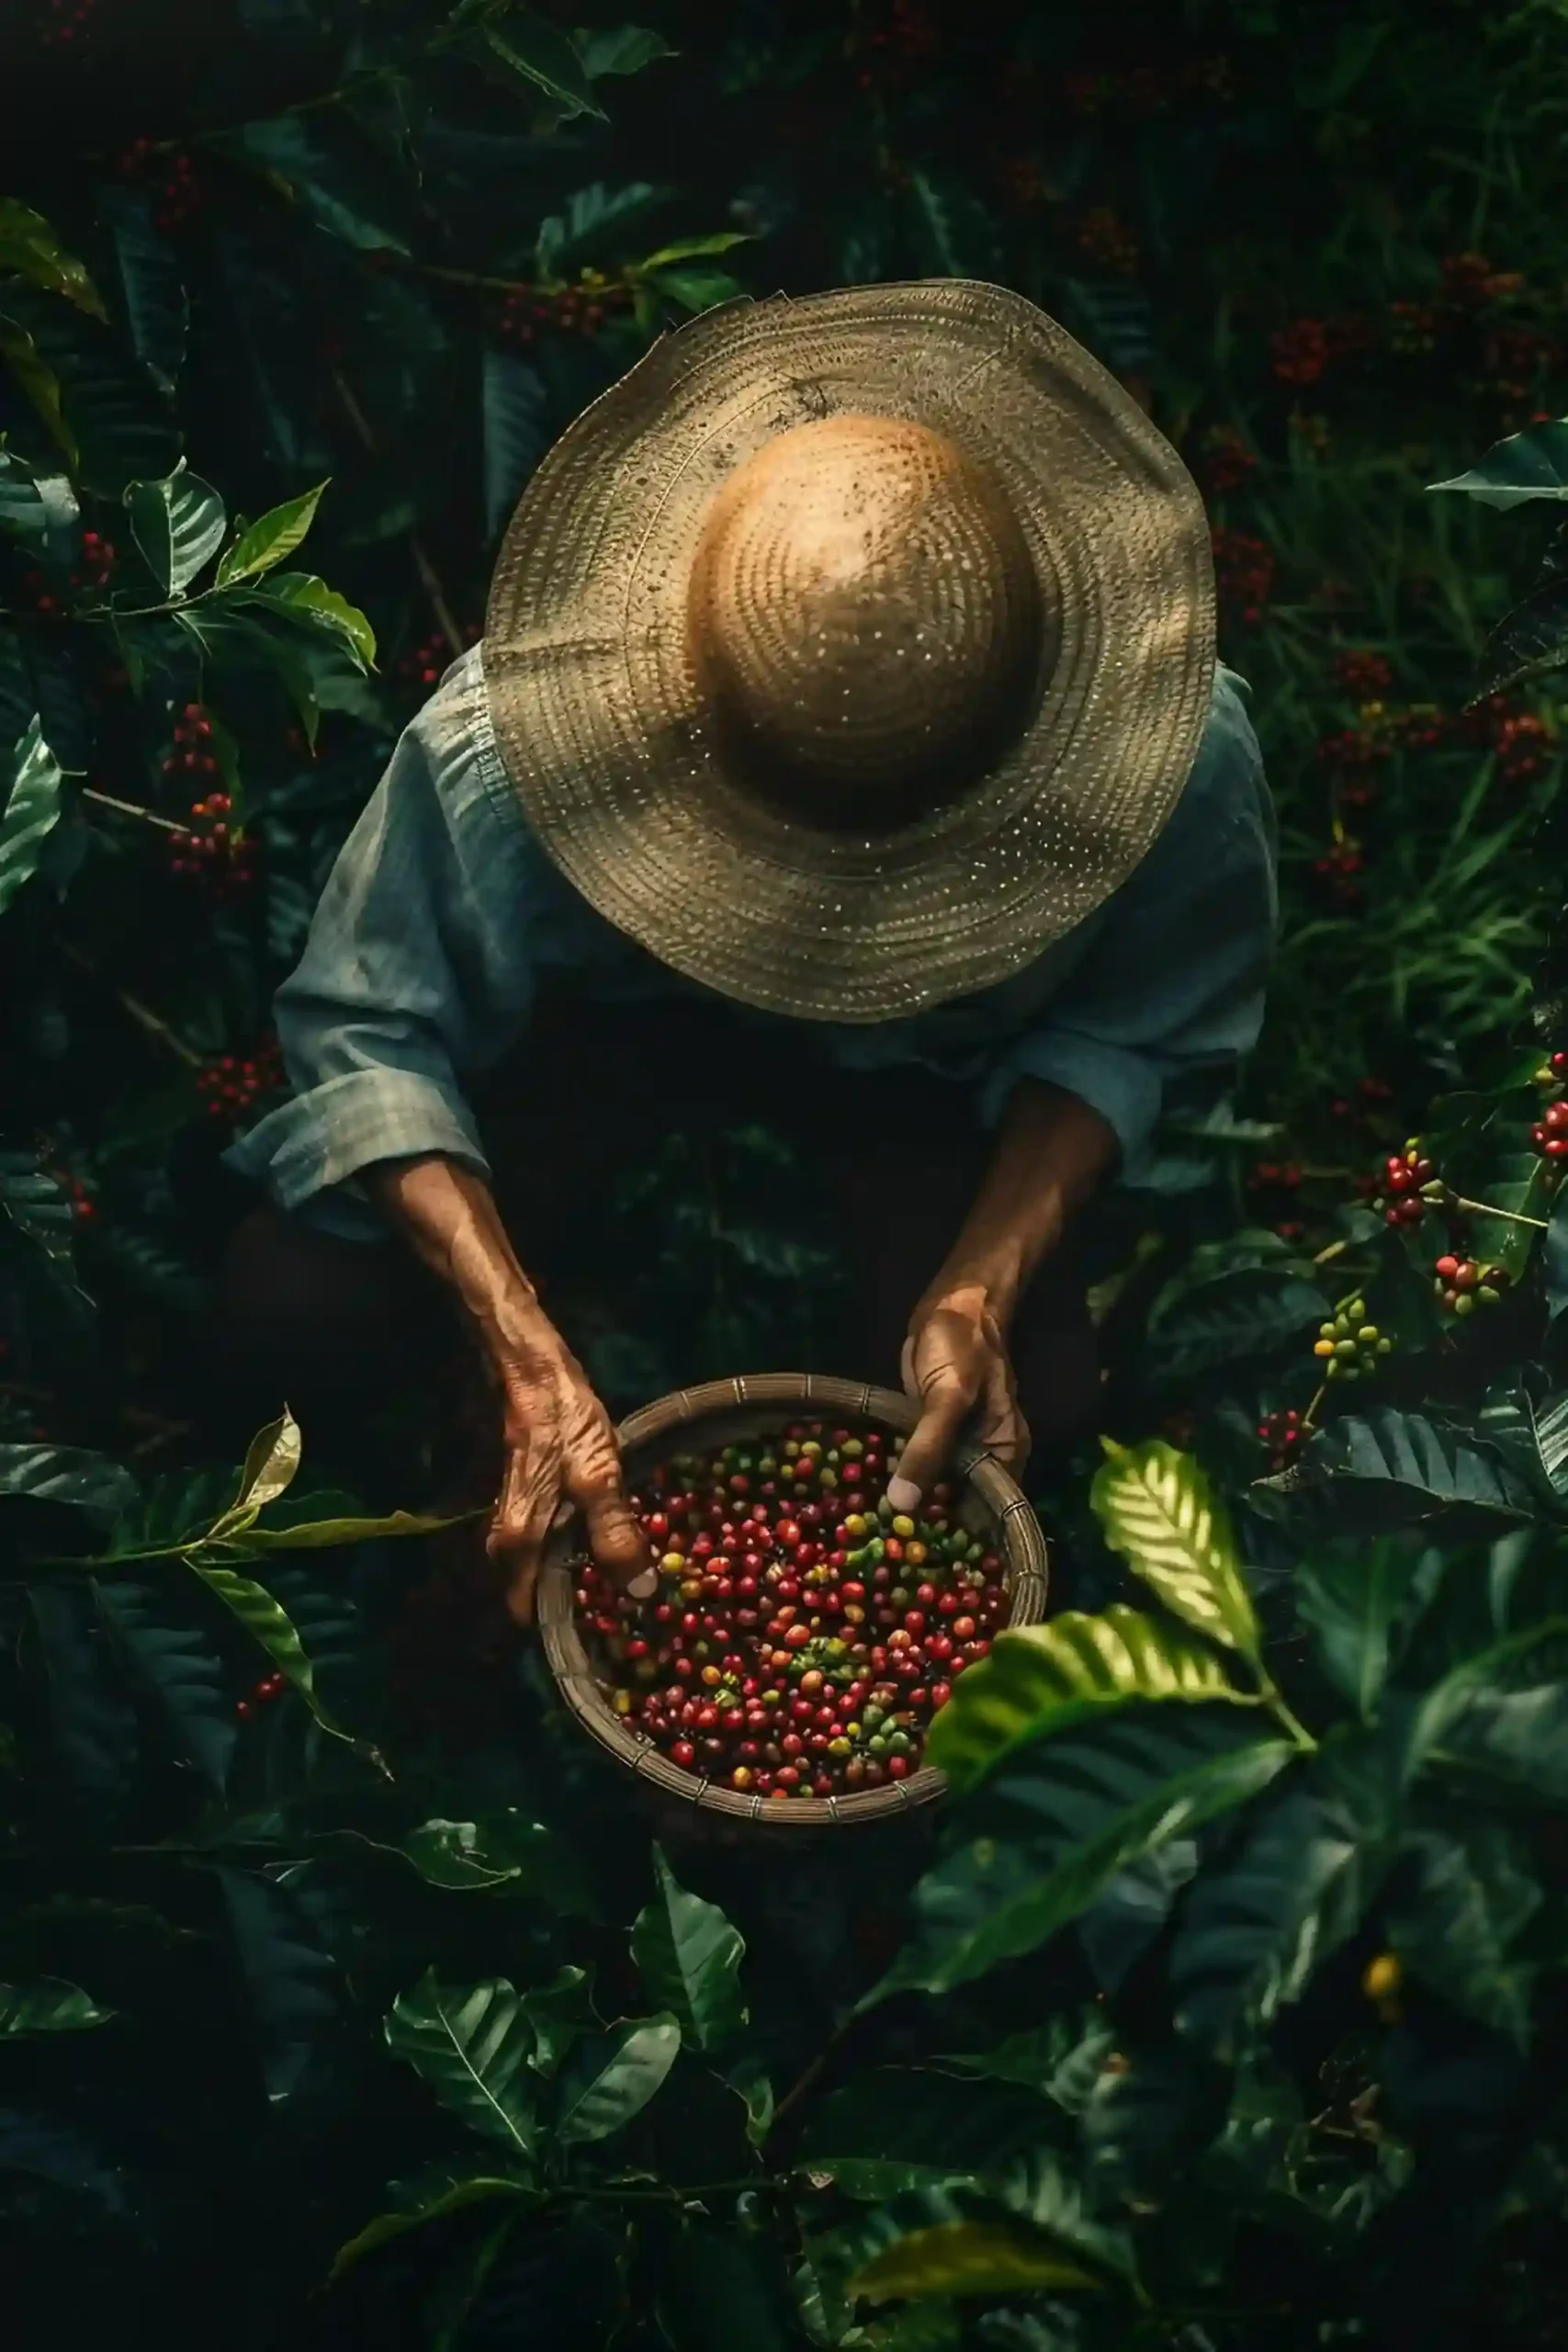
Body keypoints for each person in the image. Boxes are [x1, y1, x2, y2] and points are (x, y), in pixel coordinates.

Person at [220, 278, 1276, 1625]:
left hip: (927, 1074)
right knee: (291, 1304)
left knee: (1023, 1406)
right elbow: (371, 1028)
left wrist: (982, 1280)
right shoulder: (516, 753)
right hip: (610, 1025)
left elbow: (1132, 1027)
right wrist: (515, 1335)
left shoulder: (1169, 762)